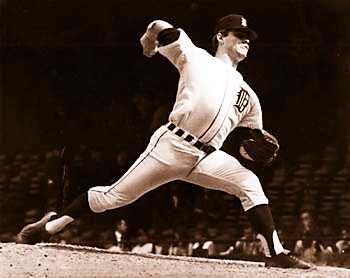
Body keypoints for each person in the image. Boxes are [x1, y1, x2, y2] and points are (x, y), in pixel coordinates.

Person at [16, 14, 311, 269]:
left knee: (249, 183)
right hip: (172, 146)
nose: (247, 40)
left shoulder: (248, 94)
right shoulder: (196, 57)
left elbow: (254, 138)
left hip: (208, 157)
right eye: (240, 34)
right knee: (113, 198)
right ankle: (52, 224)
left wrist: (257, 149)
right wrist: (148, 40)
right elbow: (159, 25)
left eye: (250, 37)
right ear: (221, 37)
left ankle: (276, 253)